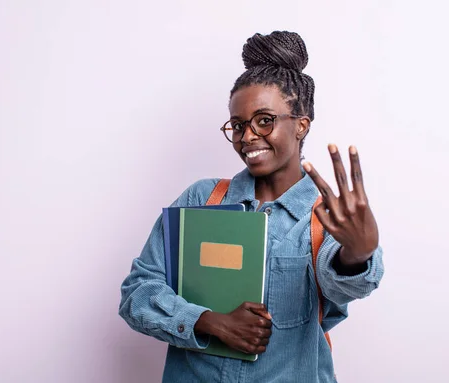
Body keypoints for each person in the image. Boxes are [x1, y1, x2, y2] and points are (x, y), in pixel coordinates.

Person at [119, 31, 384, 382]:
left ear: (301, 125)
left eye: (264, 120)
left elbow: (345, 286)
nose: (247, 137)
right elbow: (137, 292)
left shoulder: (326, 217)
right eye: (238, 125)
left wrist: (357, 255)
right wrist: (208, 322)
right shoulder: (202, 200)